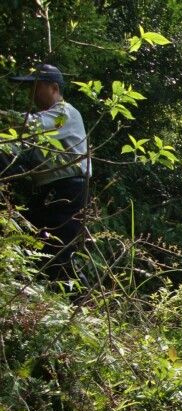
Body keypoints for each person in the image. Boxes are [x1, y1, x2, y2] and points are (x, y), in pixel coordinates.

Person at [0, 63, 91, 279]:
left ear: (53, 88)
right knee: (32, 244)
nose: (31, 94)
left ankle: (80, 297)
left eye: (36, 87)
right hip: (48, 191)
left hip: (68, 192)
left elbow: (33, 125)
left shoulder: (64, 113)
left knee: (58, 255)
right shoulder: (46, 120)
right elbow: (19, 148)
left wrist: (2, 115)